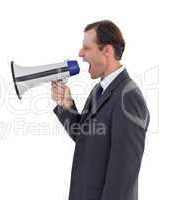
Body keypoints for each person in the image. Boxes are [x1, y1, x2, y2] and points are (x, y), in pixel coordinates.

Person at [51, 20, 150, 200]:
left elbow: (123, 175)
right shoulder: (100, 89)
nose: (80, 53)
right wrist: (66, 106)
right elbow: (85, 138)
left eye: (86, 48)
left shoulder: (129, 98)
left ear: (107, 50)